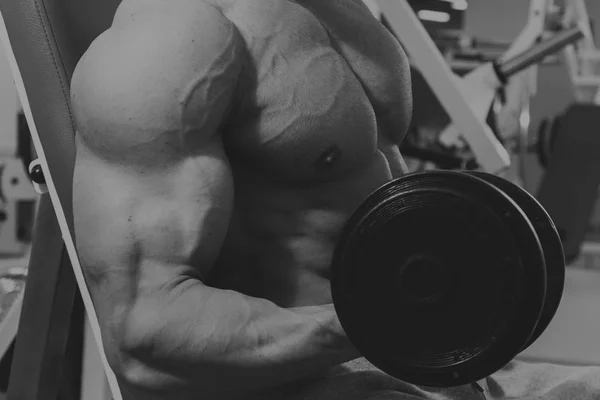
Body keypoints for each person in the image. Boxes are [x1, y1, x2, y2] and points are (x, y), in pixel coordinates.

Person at [70, 0, 600, 399]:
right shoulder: (176, 38)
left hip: (422, 368)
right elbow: (143, 333)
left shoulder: (344, 12)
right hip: (313, 382)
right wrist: (394, 325)